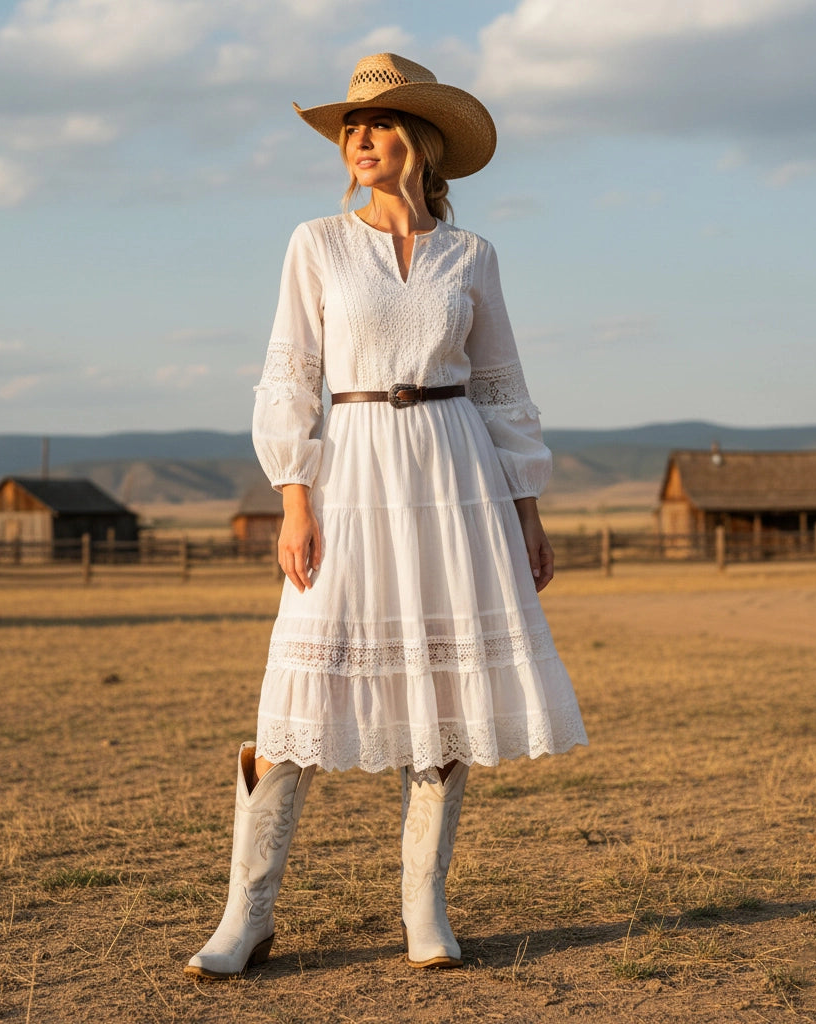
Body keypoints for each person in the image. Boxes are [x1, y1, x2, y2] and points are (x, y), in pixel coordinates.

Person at [185, 52, 587, 980]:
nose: (358, 140)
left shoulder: (472, 255)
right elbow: (289, 373)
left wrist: (528, 513)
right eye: (348, 129)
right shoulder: (316, 242)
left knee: (441, 697)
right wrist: (294, 498)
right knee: (298, 697)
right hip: (353, 464)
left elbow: (501, 388)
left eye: (378, 125)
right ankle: (246, 918)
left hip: (459, 474)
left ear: (423, 142)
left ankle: (423, 912)